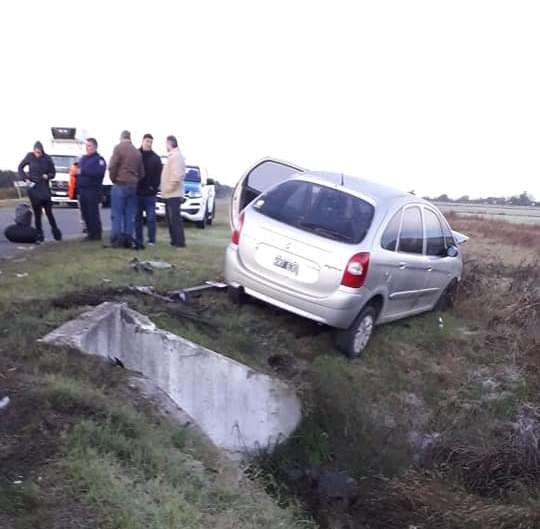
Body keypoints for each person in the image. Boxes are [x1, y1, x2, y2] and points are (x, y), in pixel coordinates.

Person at [17, 141, 62, 243]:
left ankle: (56, 233)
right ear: (33, 151)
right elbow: (20, 168)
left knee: (49, 212)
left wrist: (48, 176)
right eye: (36, 152)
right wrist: (25, 179)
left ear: (42, 151)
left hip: (44, 187)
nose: (37, 154)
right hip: (33, 187)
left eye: (39, 152)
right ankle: (39, 235)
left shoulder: (47, 158)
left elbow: (53, 173)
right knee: (37, 214)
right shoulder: (29, 156)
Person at [108, 130, 145, 248]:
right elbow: (142, 173)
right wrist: (135, 179)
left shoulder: (118, 148)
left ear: (121, 137)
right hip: (133, 186)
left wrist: (113, 179)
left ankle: (116, 239)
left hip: (120, 183)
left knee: (117, 214)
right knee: (129, 214)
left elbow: (112, 166)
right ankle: (128, 239)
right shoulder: (137, 152)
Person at [135, 134, 162, 249]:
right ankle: (138, 239)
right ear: (142, 141)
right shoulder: (136, 154)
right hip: (137, 192)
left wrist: (153, 188)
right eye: (147, 141)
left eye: (150, 142)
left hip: (150, 194)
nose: (148, 143)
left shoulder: (155, 158)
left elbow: (158, 175)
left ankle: (151, 239)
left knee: (151, 218)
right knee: (137, 218)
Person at [78, 138, 107, 241]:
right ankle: (90, 233)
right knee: (85, 212)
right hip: (83, 190)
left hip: (92, 190)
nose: (87, 148)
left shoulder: (99, 160)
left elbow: (99, 173)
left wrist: (84, 171)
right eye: (86, 146)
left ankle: (96, 233)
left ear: (95, 147)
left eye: (89, 146)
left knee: (92, 213)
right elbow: (78, 171)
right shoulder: (83, 159)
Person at [160, 135, 186, 247]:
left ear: (170, 143)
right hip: (169, 194)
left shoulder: (176, 156)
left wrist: (167, 188)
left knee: (174, 219)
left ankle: (179, 242)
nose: (165, 146)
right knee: (170, 219)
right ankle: (174, 241)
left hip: (173, 194)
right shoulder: (172, 156)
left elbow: (177, 176)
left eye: (166, 143)